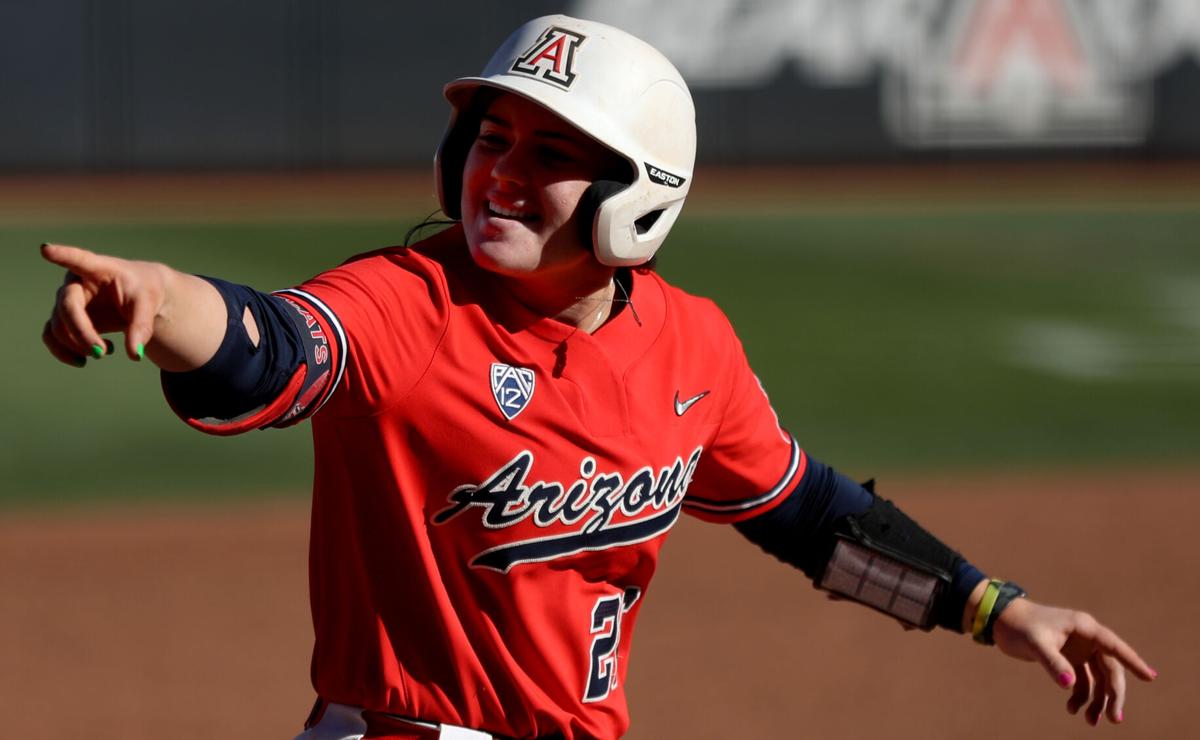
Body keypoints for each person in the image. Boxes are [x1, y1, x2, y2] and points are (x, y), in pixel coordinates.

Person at [40, 14, 1155, 740]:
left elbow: (809, 514)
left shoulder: (691, 344)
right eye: (492, 139)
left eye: (552, 155)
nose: (502, 174)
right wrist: (161, 295)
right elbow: (271, 346)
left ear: (639, 195)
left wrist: (992, 607)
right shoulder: (411, 304)